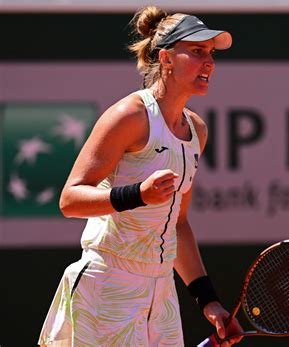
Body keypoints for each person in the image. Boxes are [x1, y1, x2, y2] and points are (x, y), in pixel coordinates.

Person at [38, 6, 243, 346]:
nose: (208, 62)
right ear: (166, 59)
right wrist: (137, 195)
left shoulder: (197, 132)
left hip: (161, 298)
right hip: (106, 288)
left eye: (210, 53)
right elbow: (70, 199)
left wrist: (209, 301)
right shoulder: (129, 116)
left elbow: (177, 223)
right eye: (196, 51)